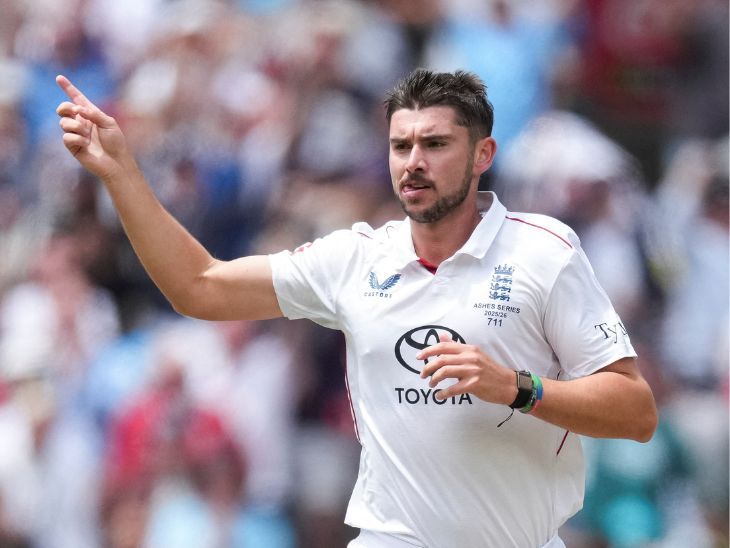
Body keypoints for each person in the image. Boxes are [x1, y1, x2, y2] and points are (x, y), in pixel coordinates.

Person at [56, 68, 657, 548]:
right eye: (401, 145)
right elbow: (200, 286)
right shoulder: (355, 257)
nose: (413, 161)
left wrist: (515, 387)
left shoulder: (545, 252)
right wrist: (121, 174)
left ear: (483, 154)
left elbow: (636, 411)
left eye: (435, 144)